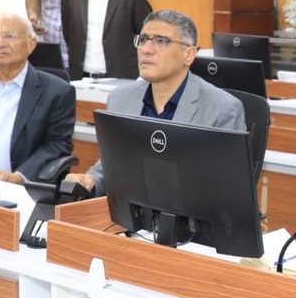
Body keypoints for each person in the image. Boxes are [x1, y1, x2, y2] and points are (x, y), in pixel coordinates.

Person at [65, 10, 246, 196]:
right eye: (143, 39)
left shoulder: (223, 109)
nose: (146, 49)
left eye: (161, 41)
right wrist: (91, 180)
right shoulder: (120, 99)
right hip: (131, 210)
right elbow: (110, 166)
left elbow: (226, 189)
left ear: (188, 55)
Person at [0, 12, 75, 184]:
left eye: (9, 36)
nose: (0, 43)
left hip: (12, 185)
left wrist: (19, 177)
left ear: (31, 44)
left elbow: (57, 145)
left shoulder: (57, 92)